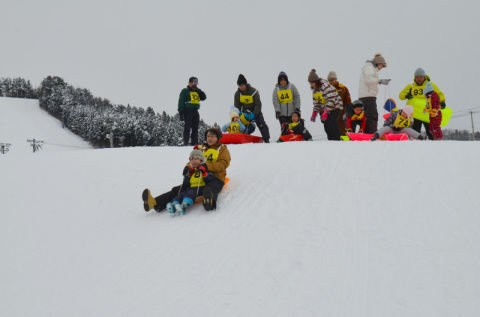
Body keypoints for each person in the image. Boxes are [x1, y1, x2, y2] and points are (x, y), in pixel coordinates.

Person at [142, 128, 231, 212]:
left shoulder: (222, 149)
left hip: (215, 177)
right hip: (197, 177)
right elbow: (193, 160)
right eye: (208, 136)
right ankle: (154, 203)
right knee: (178, 189)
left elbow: (223, 163)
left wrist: (207, 166)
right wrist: (187, 167)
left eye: (212, 136)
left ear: (218, 138)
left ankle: (209, 203)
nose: (210, 138)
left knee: (212, 187)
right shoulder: (202, 149)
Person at [398, 67, 446, 140]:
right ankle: (416, 144)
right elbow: (400, 96)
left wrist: (442, 101)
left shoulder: (430, 85)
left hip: (428, 113)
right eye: (417, 77)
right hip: (416, 113)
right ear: (415, 78)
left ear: (424, 77)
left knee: (429, 129)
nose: (419, 79)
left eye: (420, 77)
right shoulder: (411, 87)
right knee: (416, 129)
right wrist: (406, 95)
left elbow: (439, 94)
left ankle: (433, 142)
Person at [166, 149, 214, 215]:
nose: (193, 161)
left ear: (201, 160)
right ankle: (174, 204)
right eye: (192, 159)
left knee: (190, 193)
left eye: (196, 159)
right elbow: (186, 183)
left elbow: (210, 179)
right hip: (191, 188)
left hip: (200, 188)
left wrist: (204, 172)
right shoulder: (191, 170)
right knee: (182, 194)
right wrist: (188, 176)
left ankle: (184, 206)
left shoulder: (205, 168)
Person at [358, 53, 391, 134]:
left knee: (368, 116)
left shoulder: (369, 68)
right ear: (378, 63)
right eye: (382, 66)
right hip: (368, 96)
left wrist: (380, 81)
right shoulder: (370, 68)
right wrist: (380, 81)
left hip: (366, 95)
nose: (381, 68)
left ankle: (368, 133)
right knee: (372, 116)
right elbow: (368, 79)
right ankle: (371, 134)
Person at [308, 69, 343, 140]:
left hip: (336, 106)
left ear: (316, 81)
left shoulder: (325, 86)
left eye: (312, 83)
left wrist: (326, 111)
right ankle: (330, 139)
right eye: (310, 83)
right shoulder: (315, 91)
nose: (311, 85)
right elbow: (317, 103)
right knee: (325, 122)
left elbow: (331, 100)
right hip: (327, 108)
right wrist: (314, 112)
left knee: (332, 121)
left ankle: (336, 139)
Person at [234, 74, 270, 142]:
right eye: (239, 85)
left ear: (246, 84)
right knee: (242, 125)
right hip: (245, 113)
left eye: (242, 85)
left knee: (262, 124)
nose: (241, 87)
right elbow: (237, 106)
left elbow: (258, 104)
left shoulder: (253, 91)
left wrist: (255, 114)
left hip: (256, 111)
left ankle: (267, 139)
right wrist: (237, 115)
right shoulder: (237, 94)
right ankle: (242, 138)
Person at [178, 76, 207, 146]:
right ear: (189, 83)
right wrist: (181, 112)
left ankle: (194, 142)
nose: (195, 85)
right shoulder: (185, 91)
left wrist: (199, 91)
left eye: (196, 84)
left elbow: (204, 97)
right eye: (193, 83)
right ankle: (186, 141)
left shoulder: (197, 91)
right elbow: (181, 101)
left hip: (195, 111)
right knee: (187, 126)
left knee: (195, 127)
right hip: (188, 110)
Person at [327, 71, 352, 136]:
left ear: (335, 79)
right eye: (329, 80)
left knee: (343, 132)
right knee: (332, 133)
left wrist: (348, 112)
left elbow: (348, 101)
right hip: (331, 115)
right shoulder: (326, 89)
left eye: (332, 80)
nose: (330, 82)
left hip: (341, 115)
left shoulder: (343, 88)